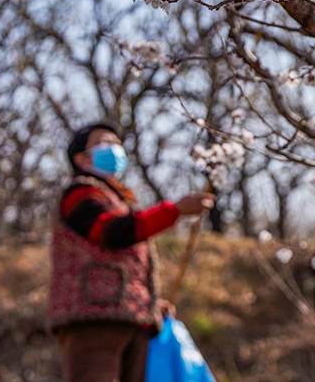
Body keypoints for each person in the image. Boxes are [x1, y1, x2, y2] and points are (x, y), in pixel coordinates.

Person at [47, 122, 216, 382]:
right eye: (104, 142)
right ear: (80, 158)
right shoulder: (80, 194)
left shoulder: (117, 200)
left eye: (117, 144)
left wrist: (147, 305)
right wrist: (174, 211)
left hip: (132, 321)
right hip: (94, 318)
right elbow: (112, 232)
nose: (114, 149)